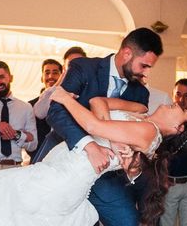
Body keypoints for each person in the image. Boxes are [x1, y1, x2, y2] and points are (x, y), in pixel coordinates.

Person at [0, 86, 187, 226]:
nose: (176, 102)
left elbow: (93, 123)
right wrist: (108, 134)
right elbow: (97, 102)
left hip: (66, 179)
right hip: (61, 164)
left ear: (176, 127)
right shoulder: (140, 113)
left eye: (181, 109)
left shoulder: (149, 133)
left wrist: (65, 99)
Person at [42, 27, 163, 226]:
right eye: (144, 66)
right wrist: (89, 146)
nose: (146, 73)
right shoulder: (83, 67)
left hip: (107, 174)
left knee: (127, 222)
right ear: (127, 53)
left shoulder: (141, 94)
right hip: (65, 158)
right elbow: (56, 112)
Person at [159, 79, 187, 226]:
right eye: (178, 94)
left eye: (186, 95)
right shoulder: (162, 120)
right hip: (169, 183)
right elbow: (156, 154)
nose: (181, 99)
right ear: (173, 94)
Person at [28, 59, 63, 161]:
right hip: (38, 158)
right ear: (41, 78)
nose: (50, 76)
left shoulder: (68, 101)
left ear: (62, 76)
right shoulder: (30, 106)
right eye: (47, 73)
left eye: (55, 73)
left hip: (61, 157)